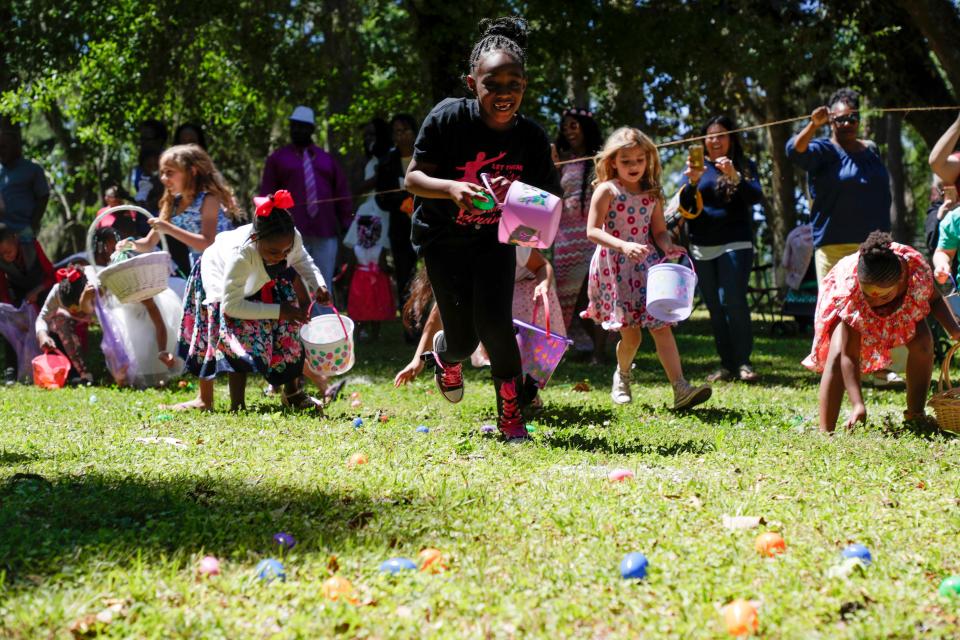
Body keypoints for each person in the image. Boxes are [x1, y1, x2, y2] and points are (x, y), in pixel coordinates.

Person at [404, 16, 561, 440]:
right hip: (443, 239)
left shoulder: (530, 138)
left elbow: (545, 207)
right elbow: (413, 179)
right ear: (472, 83)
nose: (505, 93)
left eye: (515, 83)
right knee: (464, 340)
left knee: (496, 324)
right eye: (493, 83)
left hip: (493, 241)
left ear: (525, 86)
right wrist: (453, 188)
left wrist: (519, 196)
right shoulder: (448, 119)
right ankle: (445, 355)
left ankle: (512, 418)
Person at [581, 127, 711, 410]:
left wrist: (668, 246)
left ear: (647, 159)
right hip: (614, 267)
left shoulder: (652, 194)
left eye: (639, 160)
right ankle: (623, 375)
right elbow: (592, 231)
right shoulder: (607, 190)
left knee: (662, 327)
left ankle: (680, 388)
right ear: (613, 161)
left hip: (646, 267)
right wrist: (623, 246)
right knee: (632, 335)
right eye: (626, 161)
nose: (633, 166)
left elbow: (659, 231)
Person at [174, 190, 329, 412]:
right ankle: (236, 404)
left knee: (289, 329)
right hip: (222, 280)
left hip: (259, 277)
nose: (282, 256)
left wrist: (319, 285)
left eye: (286, 251)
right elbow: (232, 306)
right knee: (237, 337)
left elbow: (303, 260)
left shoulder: (290, 238)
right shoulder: (241, 254)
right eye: (274, 251)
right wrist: (278, 310)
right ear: (256, 240)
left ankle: (292, 393)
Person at [787, 88, 901, 389]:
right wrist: (814, 124)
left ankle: (879, 368)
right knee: (838, 309)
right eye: (840, 119)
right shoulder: (823, 150)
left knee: (878, 305)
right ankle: (836, 367)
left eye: (852, 117)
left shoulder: (871, 150)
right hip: (835, 244)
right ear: (831, 121)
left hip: (873, 246)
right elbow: (793, 151)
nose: (847, 123)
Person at [803, 232, 960, 432]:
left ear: (901, 279)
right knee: (837, 353)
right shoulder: (852, 289)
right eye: (870, 296)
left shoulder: (915, 273)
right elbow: (849, 356)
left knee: (923, 342)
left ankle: (916, 415)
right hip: (851, 302)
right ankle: (826, 430)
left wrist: (954, 329)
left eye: (883, 296)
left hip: (900, 305)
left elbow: (935, 299)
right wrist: (858, 404)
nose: (875, 302)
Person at [677, 115, 763, 383]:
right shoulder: (697, 167)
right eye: (710, 135)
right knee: (715, 306)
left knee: (733, 301)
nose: (715, 140)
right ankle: (727, 365)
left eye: (721, 134)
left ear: (731, 138)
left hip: (736, 242)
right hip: (702, 245)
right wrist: (691, 182)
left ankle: (744, 363)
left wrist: (734, 176)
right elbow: (687, 208)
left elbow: (754, 197)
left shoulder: (743, 165)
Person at [260, 106, 353, 293]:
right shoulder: (278, 158)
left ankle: (323, 321)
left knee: (323, 280)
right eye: (294, 126)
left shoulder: (326, 159)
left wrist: (347, 222)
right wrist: (266, 226)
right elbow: (267, 193)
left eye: (303, 127)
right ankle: (296, 320)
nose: (298, 130)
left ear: (311, 129)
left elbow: (341, 191)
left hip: (325, 231)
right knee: (290, 279)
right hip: (290, 232)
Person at [128, 144, 239, 277]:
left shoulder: (208, 199)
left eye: (169, 172)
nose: (163, 178)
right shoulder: (171, 203)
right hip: (202, 268)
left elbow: (208, 243)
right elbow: (148, 243)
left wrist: (168, 229)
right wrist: (129, 244)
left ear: (192, 171)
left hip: (226, 265)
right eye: (162, 173)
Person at [553, 107, 605, 360]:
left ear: (587, 127)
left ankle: (600, 352)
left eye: (574, 126)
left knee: (593, 293)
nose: (568, 132)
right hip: (564, 239)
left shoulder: (601, 160)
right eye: (565, 128)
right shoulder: (562, 159)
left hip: (591, 237)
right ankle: (579, 348)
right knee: (568, 300)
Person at [376, 114, 420, 316]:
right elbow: (381, 198)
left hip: (428, 224)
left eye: (405, 130)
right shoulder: (386, 162)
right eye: (397, 132)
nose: (401, 136)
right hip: (400, 229)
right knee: (404, 275)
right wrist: (401, 203)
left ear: (414, 131)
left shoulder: (426, 155)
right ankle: (410, 324)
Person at [0, 226, 56, 383]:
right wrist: (14, 316)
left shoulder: (32, 247)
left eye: (8, 251)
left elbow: (51, 276)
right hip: (21, 297)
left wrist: (37, 291)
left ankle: (57, 366)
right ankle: (11, 370)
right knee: (9, 326)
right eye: (2, 254)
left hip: (44, 291)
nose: (6, 256)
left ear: (16, 241)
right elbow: (3, 291)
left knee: (52, 325)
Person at [35, 266, 97, 385]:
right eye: (70, 307)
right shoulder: (56, 292)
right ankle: (84, 374)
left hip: (98, 316)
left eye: (77, 308)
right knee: (59, 319)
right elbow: (42, 318)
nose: (75, 310)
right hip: (69, 320)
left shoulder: (95, 289)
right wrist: (42, 335)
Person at [345, 214, 394, 341]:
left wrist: (346, 282)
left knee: (361, 306)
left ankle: (361, 332)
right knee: (376, 306)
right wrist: (390, 270)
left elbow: (350, 267)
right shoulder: (380, 249)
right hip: (377, 281)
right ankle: (375, 334)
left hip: (360, 281)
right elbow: (383, 266)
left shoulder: (355, 249)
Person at [0, 125, 50, 243]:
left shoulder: (32, 170)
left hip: (23, 233)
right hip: (2, 236)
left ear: (15, 147)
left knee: (28, 261)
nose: (0, 152)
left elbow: (43, 197)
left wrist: (32, 226)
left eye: (3, 147)